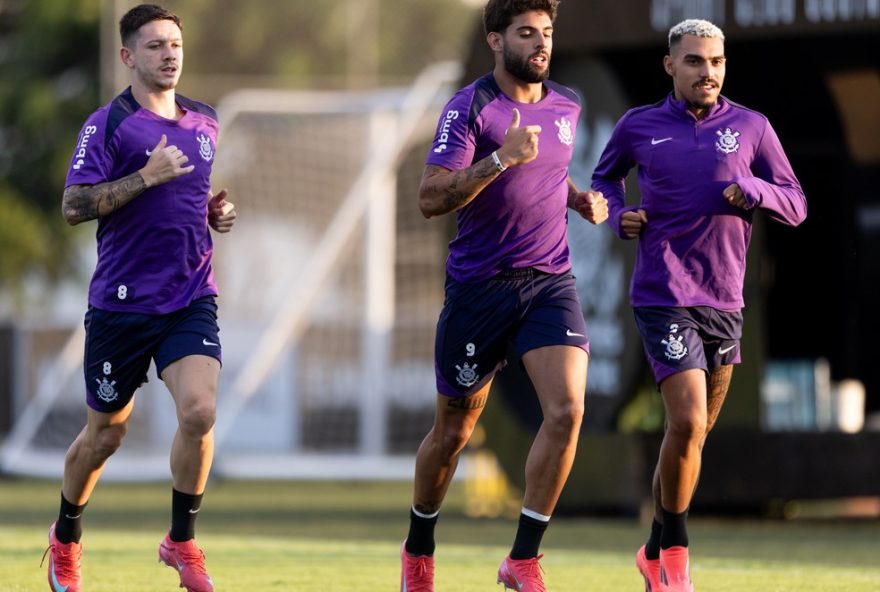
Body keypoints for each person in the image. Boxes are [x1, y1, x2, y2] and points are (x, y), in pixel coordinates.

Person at [590, 18, 807, 592]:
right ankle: (677, 563)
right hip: (664, 293)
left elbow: (796, 203)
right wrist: (619, 215)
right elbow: (604, 180)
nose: (706, 71)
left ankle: (652, 551)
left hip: (724, 300)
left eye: (716, 62)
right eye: (694, 61)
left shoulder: (752, 127)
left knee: (693, 434)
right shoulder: (640, 125)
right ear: (670, 65)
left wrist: (755, 190)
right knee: (685, 420)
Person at [399, 1, 608, 591]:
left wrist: (576, 199)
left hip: (548, 282)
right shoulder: (470, 108)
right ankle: (418, 551)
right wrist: (498, 159)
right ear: (496, 40)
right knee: (453, 435)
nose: (540, 44)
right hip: (478, 289)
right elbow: (431, 197)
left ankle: (523, 559)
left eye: (547, 32)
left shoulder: (566, 104)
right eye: (526, 33)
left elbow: (543, 172)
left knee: (567, 411)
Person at [44, 5, 236, 592]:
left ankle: (181, 542)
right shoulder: (108, 125)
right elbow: (74, 206)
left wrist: (213, 212)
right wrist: (144, 178)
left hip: (189, 295)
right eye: (154, 46)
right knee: (105, 435)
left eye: (175, 43)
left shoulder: (204, 121)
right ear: (129, 57)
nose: (169, 54)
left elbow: (187, 198)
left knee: (200, 413)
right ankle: (65, 539)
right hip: (121, 307)